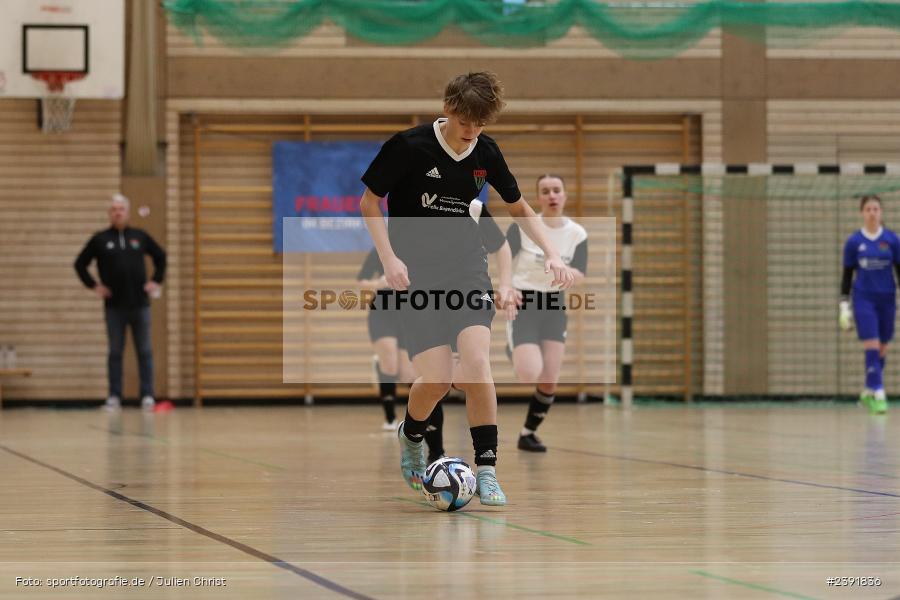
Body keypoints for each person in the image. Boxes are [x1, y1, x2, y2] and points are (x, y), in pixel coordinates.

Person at [359, 71, 573, 506]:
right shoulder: (408, 146)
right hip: (417, 277)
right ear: (449, 109)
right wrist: (388, 258)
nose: (471, 130)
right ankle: (412, 435)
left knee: (476, 365)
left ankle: (488, 468)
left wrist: (551, 252)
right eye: (465, 121)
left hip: (467, 273)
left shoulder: (486, 152)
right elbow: (368, 202)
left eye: (480, 123)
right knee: (437, 380)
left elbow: (520, 208)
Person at [357, 208, 515, 467]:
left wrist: (506, 285)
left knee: (470, 374)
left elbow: (501, 245)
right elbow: (370, 207)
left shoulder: (473, 210)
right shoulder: (403, 228)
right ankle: (433, 448)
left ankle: (486, 468)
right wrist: (384, 280)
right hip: (407, 305)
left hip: (465, 298)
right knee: (434, 380)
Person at [505, 174, 588, 451]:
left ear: (564, 195)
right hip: (524, 301)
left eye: (556, 190)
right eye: (545, 191)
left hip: (553, 305)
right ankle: (514, 347)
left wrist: (568, 274)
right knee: (530, 373)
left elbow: (580, 273)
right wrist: (505, 288)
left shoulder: (577, 234)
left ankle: (528, 433)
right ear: (538, 198)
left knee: (549, 379)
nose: (552, 195)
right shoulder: (524, 227)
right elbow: (502, 258)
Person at [74, 194, 166, 411]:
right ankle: (114, 396)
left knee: (144, 350)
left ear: (127, 212)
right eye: (114, 209)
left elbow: (161, 256)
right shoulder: (100, 239)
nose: (118, 213)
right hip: (114, 307)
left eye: (121, 209)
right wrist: (94, 286)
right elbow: (80, 264)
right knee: (115, 352)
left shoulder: (140, 236)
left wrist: (156, 281)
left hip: (140, 305)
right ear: (110, 213)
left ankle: (147, 395)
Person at [840, 194, 898, 415]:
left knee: (883, 347)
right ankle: (879, 394)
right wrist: (844, 305)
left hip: (887, 299)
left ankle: (868, 389)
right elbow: (847, 276)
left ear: (881, 212)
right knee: (872, 343)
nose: (872, 213)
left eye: (876, 209)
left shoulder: (892, 240)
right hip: (864, 299)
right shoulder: (854, 242)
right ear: (862, 213)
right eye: (868, 209)